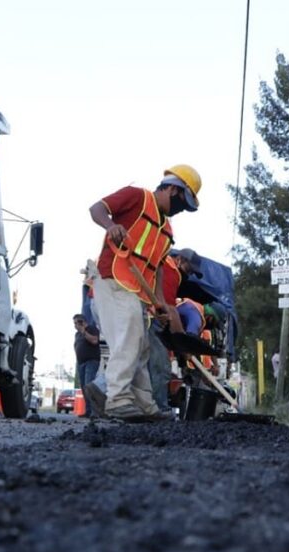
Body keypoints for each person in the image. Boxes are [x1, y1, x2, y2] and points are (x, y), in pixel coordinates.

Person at [88, 164, 202, 421]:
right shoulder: (137, 197)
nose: (180, 210)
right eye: (181, 203)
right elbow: (97, 208)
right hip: (112, 277)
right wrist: (110, 226)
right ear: (172, 188)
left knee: (142, 346)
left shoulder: (167, 231)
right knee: (130, 338)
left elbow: (158, 267)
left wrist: (159, 302)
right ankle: (117, 399)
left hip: (137, 291)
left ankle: (143, 405)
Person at [147, 248, 204, 411]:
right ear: (180, 259)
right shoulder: (171, 269)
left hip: (150, 317)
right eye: (189, 269)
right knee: (161, 367)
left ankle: (102, 388)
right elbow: (170, 309)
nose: (189, 274)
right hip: (152, 320)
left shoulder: (165, 265)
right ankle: (160, 409)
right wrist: (183, 345)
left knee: (138, 364)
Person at [73, 315, 100, 416]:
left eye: (77, 322)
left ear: (83, 321)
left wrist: (84, 331)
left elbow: (94, 340)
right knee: (84, 387)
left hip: (91, 361)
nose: (76, 325)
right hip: (81, 363)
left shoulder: (91, 329)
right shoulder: (77, 334)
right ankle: (88, 410)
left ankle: (94, 411)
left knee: (89, 386)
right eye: (75, 323)